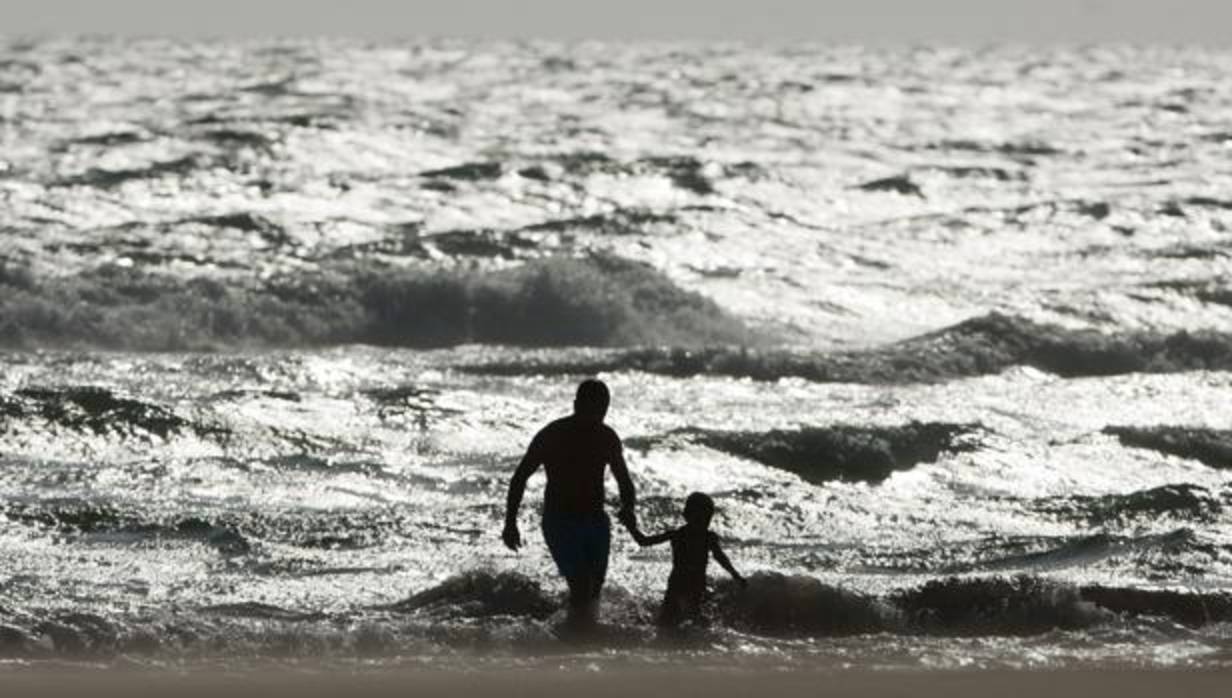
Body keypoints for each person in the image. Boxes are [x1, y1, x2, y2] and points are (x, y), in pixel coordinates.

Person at [502, 378, 636, 630]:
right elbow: (519, 477)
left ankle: (579, 636)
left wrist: (628, 508)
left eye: (602, 409)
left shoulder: (607, 437)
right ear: (576, 405)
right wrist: (510, 523)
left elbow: (625, 482)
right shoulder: (552, 434)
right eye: (592, 408)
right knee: (582, 584)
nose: (597, 415)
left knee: (595, 586)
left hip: (596, 520)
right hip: (559, 521)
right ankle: (574, 639)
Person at [618, 492, 746, 628]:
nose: (704, 521)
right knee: (671, 621)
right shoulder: (680, 535)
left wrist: (736, 575)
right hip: (679, 583)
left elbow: (720, 557)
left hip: (694, 585)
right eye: (701, 517)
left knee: (687, 620)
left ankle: (689, 641)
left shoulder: (708, 537)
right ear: (687, 515)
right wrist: (631, 527)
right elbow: (644, 541)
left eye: (707, 517)